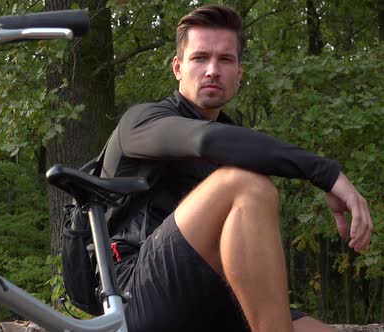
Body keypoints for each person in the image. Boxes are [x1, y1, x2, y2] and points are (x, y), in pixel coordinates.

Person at [100, 4, 373, 332]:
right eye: (200, 58)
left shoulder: (233, 142)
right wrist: (327, 174)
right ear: (177, 67)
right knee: (248, 184)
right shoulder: (142, 121)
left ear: (240, 72)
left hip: (212, 294)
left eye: (225, 60)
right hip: (132, 295)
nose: (212, 70)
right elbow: (206, 141)